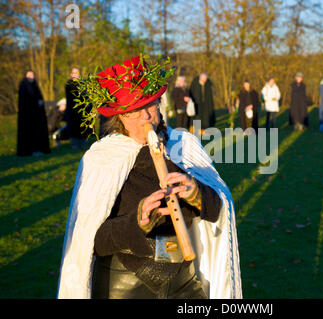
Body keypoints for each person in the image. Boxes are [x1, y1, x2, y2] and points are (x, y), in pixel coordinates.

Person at [57, 55, 242, 299]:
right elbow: (93, 241)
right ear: (119, 117)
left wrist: (196, 193)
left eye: (150, 105)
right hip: (125, 283)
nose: (145, 116)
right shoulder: (102, 158)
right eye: (134, 110)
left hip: (183, 279)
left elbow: (218, 208)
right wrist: (137, 222)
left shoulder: (183, 145)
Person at [16, 70, 51, 156]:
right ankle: (31, 150)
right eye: (29, 75)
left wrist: (40, 102)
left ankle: (39, 149)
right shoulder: (23, 85)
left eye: (32, 75)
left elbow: (38, 96)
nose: (31, 77)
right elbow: (25, 101)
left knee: (38, 132)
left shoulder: (35, 85)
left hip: (37, 115)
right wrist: (36, 103)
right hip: (27, 116)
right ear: (26, 76)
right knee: (30, 133)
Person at [65, 67, 91, 150]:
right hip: (72, 110)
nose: (75, 75)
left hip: (83, 109)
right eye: (74, 73)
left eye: (77, 73)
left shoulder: (83, 83)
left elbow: (86, 95)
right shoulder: (69, 84)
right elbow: (72, 97)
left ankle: (83, 144)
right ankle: (75, 145)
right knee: (74, 127)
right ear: (71, 74)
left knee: (83, 127)